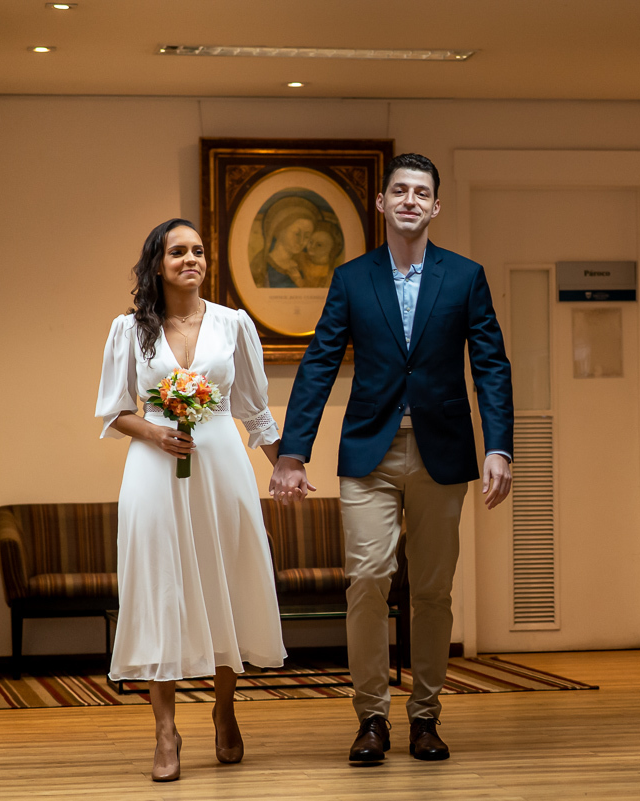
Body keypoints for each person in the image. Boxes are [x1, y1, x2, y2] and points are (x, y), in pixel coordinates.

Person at [270, 153, 514, 763]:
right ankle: (371, 719)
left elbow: (490, 364)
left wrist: (499, 446)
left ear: (435, 207)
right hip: (370, 456)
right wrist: (292, 452)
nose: (409, 200)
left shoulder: (465, 277)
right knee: (369, 580)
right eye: (399, 191)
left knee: (432, 590)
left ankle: (426, 717)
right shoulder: (353, 278)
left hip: (443, 453)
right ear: (381, 204)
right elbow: (321, 362)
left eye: (421, 192)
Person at [95, 218, 291, 782]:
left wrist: (285, 466)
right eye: (178, 251)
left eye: (198, 251)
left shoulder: (234, 325)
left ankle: (225, 710)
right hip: (154, 471)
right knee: (160, 587)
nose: (191, 259)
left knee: (223, 581)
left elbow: (254, 409)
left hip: (222, 467)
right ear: (157, 263)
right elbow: (114, 410)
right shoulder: (129, 330)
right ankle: (164, 730)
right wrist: (156, 432)